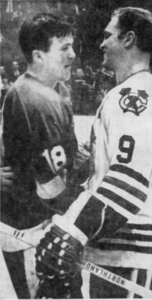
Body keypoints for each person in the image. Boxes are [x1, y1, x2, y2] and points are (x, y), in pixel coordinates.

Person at [36, 7, 152, 298]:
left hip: (132, 256)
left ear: (129, 39)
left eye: (108, 35)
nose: (101, 43)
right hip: (121, 255)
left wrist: (69, 233)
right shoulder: (137, 92)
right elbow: (110, 170)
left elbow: (127, 184)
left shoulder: (135, 97)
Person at [2, 13, 82, 298]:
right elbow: (51, 187)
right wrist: (81, 223)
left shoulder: (53, 90)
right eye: (64, 48)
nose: (73, 54)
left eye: (72, 45)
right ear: (38, 55)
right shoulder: (34, 97)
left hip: (47, 227)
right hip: (34, 231)